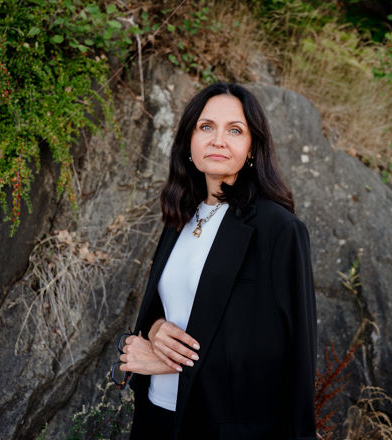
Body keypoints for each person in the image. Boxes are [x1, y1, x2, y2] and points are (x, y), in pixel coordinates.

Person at [117, 81, 317, 439]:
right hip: (155, 417)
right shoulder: (181, 218)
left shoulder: (278, 229)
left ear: (252, 147)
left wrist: (168, 364)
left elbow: (287, 355)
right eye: (206, 127)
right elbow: (166, 310)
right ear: (189, 143)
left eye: (235, 130)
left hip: (221, 429)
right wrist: (155, 329)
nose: (218, 140)